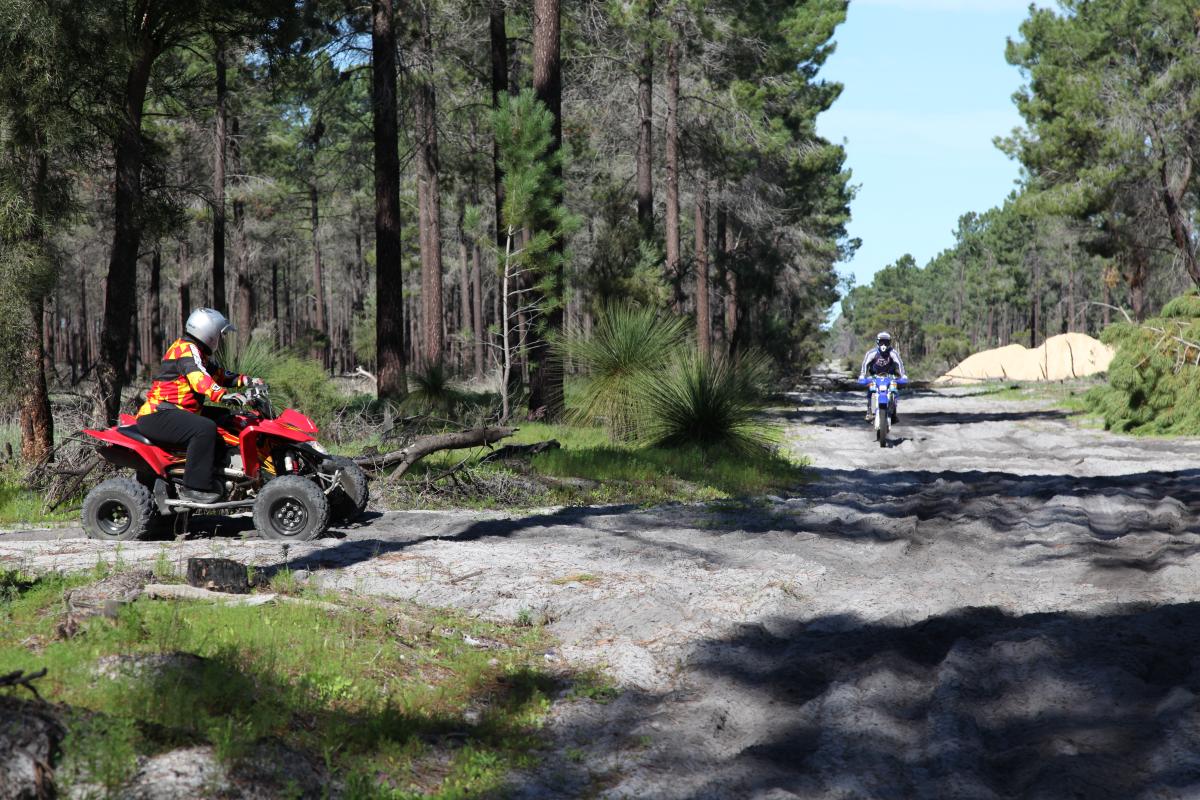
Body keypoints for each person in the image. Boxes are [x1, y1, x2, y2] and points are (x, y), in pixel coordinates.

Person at [135, 308, 262, 503]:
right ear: (209, 333)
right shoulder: (186, 350)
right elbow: (199, 378)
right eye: (221, 334)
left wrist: (248, 380)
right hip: (158, 413)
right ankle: (194, 487)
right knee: (204, 429)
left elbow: (218, 375)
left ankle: (222, 474)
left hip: (176, 411)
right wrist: (222, 395)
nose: (222, 338)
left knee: (229, 419)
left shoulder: (197, 352)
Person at [859, 331, 907, 422]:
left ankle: (893, 412)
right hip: (874, 376)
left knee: (894, 390)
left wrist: (903, 375)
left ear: (889, 343)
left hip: (890, 376)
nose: (883, 344)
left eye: (886, 342)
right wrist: (862, 375)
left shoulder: (893, 353)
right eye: (881, 342)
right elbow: (865, 364)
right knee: (871, 390)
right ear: (878, 342)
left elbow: (900, 363)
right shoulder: (871, 353)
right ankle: (869, 411)